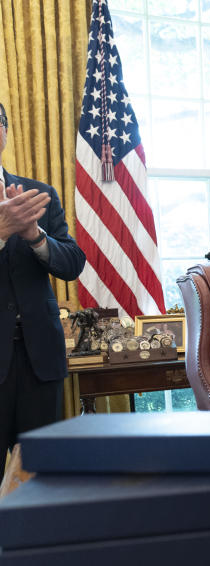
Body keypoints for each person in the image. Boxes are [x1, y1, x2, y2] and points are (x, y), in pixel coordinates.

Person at [0, 101, 86, 476]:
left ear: (4, 132)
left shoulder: (37, 195)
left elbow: (72, 263)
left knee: (42, 477)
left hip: (40, 357)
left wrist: (34, 235)